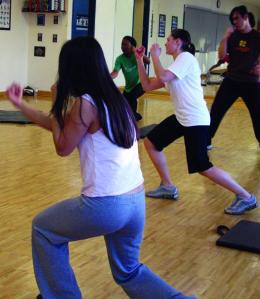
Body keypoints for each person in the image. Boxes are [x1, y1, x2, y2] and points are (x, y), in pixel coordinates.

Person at [6, 37, 196, 299]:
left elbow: (62, 146)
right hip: (135, 202)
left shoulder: (84, 104)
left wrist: (57, 102)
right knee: (128, 271)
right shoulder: (113, 98)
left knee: (43, 229)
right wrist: (21, 104)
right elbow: (58, 126)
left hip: (106, 205)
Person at [135, 29, 257, 215]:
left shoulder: (186, 58)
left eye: (168, 40)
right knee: (151, 143)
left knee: (202, 166)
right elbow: (147, 86)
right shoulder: (177, 64)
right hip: (182, 117)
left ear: (179, 42)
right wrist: (139, 59)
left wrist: (154, 56)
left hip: (195, 119)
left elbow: (164, 77)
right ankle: (167, 186)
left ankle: (246, 197)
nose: (165, 43)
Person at [208, 5, 260, 156]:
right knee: (216, 110)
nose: (234, 22)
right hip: (231, 80)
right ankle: (206, 140)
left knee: (258, 114)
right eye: (232, 19)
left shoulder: (258, 37)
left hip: (251, 82)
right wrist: (225, 37)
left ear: (245, 18)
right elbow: (221, 55)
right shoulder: (232, 36)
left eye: (237, 18)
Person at [111, 36, 150, 121]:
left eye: (125, 44)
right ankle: (136, 115)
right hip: (129, 88)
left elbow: (148, 61)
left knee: (132, 97)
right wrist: (107, 78)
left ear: (132, 46)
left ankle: (132, 118)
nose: (122, 46)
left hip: (141, 84)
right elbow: (115, 72)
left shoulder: (136, 55)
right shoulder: (120, 59)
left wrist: (137, 52)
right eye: (122, 44)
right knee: (122, 102)